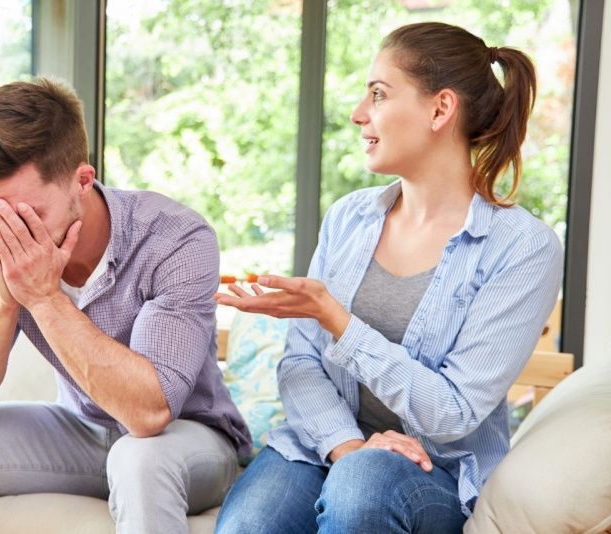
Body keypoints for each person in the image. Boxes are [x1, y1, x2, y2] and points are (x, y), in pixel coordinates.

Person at [213, 21, 562, 534]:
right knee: (251, 525)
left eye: (378, 94)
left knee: (364, 486)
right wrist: (348, 445)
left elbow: (454, 411)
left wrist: (337, 320)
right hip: (323, 446)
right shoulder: (348, 218)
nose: (358, 115)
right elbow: (300, 363)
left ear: (440, 109)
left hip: (434, 472)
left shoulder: (523, 249)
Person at [0, 77, 251, 534]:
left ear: (82, 181)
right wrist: (6, 301)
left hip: (188, 439)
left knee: (139, 457)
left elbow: (148, 415)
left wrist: (46, 298)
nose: (6, 232)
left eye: (24, 214)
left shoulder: (175, 239)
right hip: (82, 430)